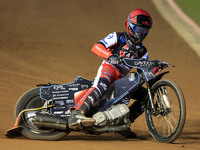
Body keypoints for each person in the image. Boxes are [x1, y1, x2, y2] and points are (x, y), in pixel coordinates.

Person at [68, 9, 153, 136]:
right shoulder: (117, 36)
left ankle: (124, 122)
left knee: (146, 96)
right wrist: (109, 56)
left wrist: (153, 72)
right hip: (109, 69)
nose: (142, 33)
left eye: (145, 30)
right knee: (101, 86)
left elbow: (144, 71)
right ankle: (77, 113)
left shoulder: (143, 51)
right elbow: (96, 46)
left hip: (123, 79)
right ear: (129, 25)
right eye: (139, 29)